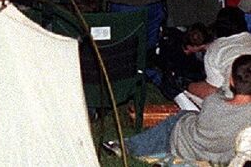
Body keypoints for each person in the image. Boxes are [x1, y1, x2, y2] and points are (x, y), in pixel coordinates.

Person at [107, 54, 251, 164]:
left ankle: (127, 146)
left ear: (231, 80)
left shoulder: (213, 101)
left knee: (178, 120)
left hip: (188, 146)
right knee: (190, 117)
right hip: (222, 156)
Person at [188, 7, 251, 100]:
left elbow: (214, 86)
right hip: (239, 94)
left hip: (235, 100)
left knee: (193, 87)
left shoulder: (215, 48)